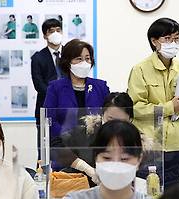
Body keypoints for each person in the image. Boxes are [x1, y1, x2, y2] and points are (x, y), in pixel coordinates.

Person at [128, 18, 179, 187]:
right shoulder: (140, 69)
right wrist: (169, 107)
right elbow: (135, 108)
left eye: (177, 39)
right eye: (167, 39)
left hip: (176, 143)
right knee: (147, 193)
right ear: (154, 41)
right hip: (149, 143)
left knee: (171, 196)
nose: (173, 43)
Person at [51, 92, 134, 185]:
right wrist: (85, 168)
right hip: (83, 190)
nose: (115, 126)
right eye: (110, 120)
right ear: (102, 114)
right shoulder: (85, 133)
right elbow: (56, 145)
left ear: (130, 120)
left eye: (121, 122)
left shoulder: (136, 141)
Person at [43, 39, 110, 137]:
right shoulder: (55, 88)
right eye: (79, 59)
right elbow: (50, 119)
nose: (84, 63)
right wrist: (66, 136)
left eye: (87, 58)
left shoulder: (100, 86)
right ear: (68, 62)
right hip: (63, 144)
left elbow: (108, 116)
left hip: (96, 142)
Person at [31, 18, 63, 155]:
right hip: (45, 108)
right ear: (45, 35)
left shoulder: (70, 54)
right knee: (44, 150)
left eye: (58, 30)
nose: (56, 33)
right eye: (51, 31)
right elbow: (39, 85)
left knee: (70, 146)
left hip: (68, 108)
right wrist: (56, 96)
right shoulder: (38, 58)